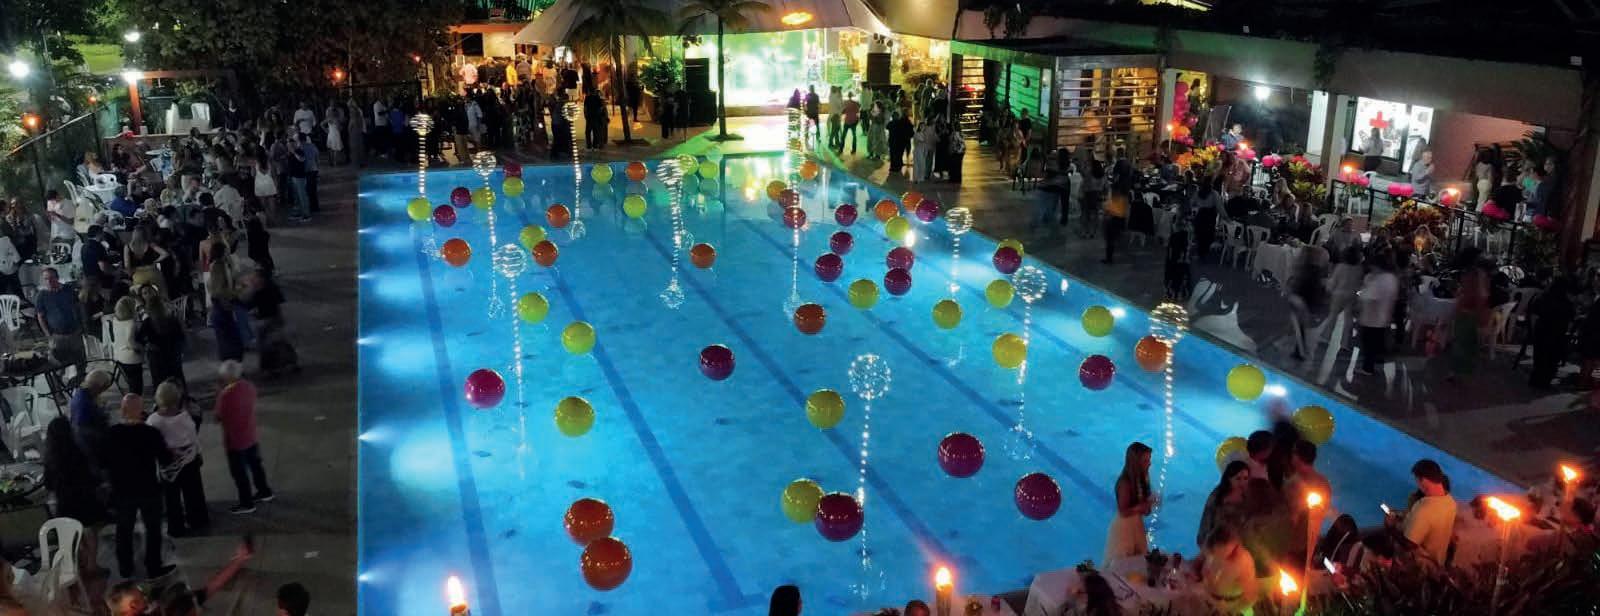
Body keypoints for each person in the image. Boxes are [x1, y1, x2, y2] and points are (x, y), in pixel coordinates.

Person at [104, 394, 175, 579]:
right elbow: (165, 458)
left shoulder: (111, 434)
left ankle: (125, 567)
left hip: (122, 490)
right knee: (153, 529)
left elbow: (103, 461)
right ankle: (153, 566)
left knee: (124, 530)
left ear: (122, 410)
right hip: (148, 488)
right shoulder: (150, 433)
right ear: (141, 411)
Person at [44, 416, 108, 577]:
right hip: (83, 500)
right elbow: (89, 477)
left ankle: (82, 562)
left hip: (64, 504)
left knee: (75, 534)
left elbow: (48, 485)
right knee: (91, 532)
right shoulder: (77, 452)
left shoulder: (50, 458)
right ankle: (92, 565)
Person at [148, 380, 208, 536]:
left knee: (171, 498)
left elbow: (152, 442)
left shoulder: (154, 420)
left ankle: (176, 527)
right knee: (192, 493)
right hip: (189, 461)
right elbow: (193, 438)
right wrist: (199, 453)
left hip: (169, 466)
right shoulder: (185, 416)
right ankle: (197, 520)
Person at [216, 360, 273, 513]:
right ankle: (264, 491)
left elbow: (218, 417)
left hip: (235, 441)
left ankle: (247, 503)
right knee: (256, 465)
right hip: (251, 435)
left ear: (227, 377)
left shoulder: (225, 395)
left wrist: (220, 394)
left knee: (239, 473)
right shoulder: (249, 387)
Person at [1389, 459, 1456, 565]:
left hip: (1419, 566)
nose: (1418, 485)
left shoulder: (1425, 508)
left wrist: (1390, 528)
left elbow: (1409, 545)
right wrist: (1404, 517)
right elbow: (1429, 524)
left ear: (1423, 480)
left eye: (1417, 480)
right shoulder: (1450, 501)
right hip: (1437, 562)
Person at [1104, 442, 1155, 564]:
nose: (1149, 463)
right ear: (1136, 463)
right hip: (1124, 528)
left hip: (1137, 525)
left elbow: (1145, 511)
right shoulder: (1125, 483)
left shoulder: (1142, 478)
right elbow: (1123, 511)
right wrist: (1142, 506)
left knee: (1139, 562)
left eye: (1149, 460)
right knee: (1122, 564)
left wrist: (1148, 505)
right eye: (1145, 461)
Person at [1448, 249, 1490, 379]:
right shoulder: (1478, 274)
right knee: (1468, 343)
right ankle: (1461, 372)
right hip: (1472, 312)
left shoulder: (1467, 273)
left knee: (1462, 342)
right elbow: (1482, 294)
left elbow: (1465, 292)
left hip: (1465, 310)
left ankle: (1456, 371)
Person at [34, 267, 87, 370]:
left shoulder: (68, 290)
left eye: (51, 278)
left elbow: (79, 307)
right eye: (46, 279)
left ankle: (81, 377)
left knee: (80, 362)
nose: (49, 281)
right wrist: (48, 335)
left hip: (74, 332)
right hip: (57, 336)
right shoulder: (41, 295)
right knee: (59, 365)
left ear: (57, 278)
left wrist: (83, 326)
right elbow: (40, 317)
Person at [137, 286, 188, 394]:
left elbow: (138, 338)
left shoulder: (148, 322)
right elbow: (181, 336)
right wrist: (180, 350)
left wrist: (147, 344)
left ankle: (162, 400)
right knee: (177, 379)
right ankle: (182, 397)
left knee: (159, 383)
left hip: (156, 357)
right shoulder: (172, 320)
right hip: (173, 354)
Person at [1356, 251, 1399, 376]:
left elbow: (1369, 296)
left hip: (1372, 318)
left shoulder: (1379, 279)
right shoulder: (1392, 278)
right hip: (1384, 317)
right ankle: (1376, 361)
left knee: (1369, 344)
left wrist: (1361, 294)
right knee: (1377, 342)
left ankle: (1368, 368)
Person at [1199, 527, 1257, 615]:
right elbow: (1204, 558)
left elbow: (1251, 597)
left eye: (1216, 554)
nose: (1212, 556)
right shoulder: (1213, 546)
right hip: (1208, 598)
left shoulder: (1243, 563)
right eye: (1212, 553)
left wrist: (1230, 611)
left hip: (1229, 606)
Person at [1529, 278, 1575, 388]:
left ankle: (1536, 379)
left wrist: (1532, 330)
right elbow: (1570, 322)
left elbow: (1534, 315)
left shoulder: (1543, 298)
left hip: (1542, 331)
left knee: (1539, 356)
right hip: (1557, 334)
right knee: (1552, 359)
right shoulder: (1567, 304)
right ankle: (1546, 380)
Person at [1197, 460, 1251, 548]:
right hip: (1217, 541)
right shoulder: (1217, 495)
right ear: (1229, 479)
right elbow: (1207, 519)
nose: (1242, 483)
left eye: (1245, 478)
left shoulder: (1248, 495)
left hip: (1239, 543)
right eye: (1238, 478)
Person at [108, 296, 146, 395]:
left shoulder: (115, 320)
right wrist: (142, 348)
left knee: (131, 382)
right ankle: (136, 400)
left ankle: (131, 398)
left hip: (119, 356)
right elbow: (130, 342)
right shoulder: (131, 323)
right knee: (137, 386)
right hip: (131, 358)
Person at [1079, 160, 1105, 239]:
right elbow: (1106, 187)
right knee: (1096, 215)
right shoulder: (1103, 175)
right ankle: (1093, 232)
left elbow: (1084, 186)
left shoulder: (1089, 174)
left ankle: (1085, 232)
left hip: (1088, 195)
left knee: (1086, 215)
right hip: (1098, 196)